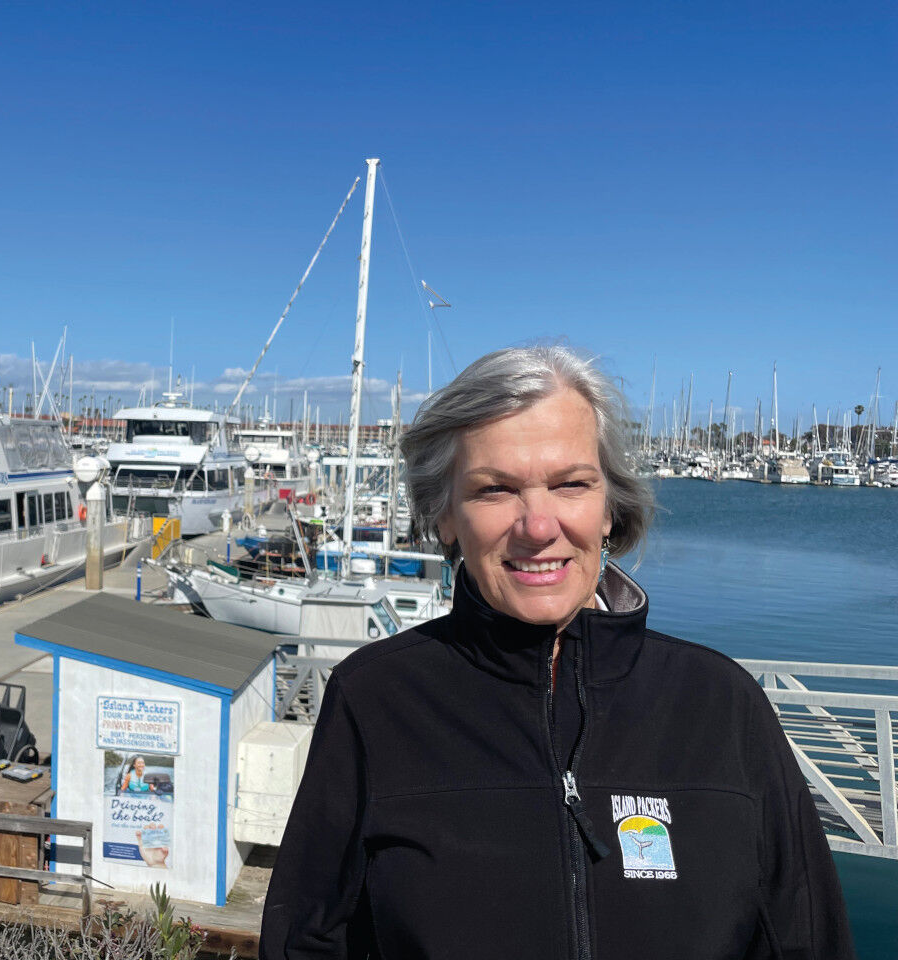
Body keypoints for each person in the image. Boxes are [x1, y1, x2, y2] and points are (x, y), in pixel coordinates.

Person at [260, 346, 854, 959]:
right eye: (495, 490)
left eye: (571, 484)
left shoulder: (723, 705)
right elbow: (307, 940)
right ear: (444, 516)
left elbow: (807, 939)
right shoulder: (375, 701)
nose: (538, 526)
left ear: (608, 509)